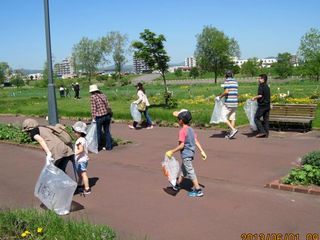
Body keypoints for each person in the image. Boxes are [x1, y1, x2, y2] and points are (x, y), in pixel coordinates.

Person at [166, 109, 207, 197]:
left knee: (190, 172)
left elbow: (181, 146)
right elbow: (195, 140)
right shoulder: (191, 129)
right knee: (183, 170)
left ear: (181, 121)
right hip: (190, 154)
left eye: (178, 119)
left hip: (186, 155)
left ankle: (198, 190)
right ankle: (177, 185)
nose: (177, 120)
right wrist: (202, 151)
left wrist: (171, 151)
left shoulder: (182, 131)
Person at [215, 70, 239, 139]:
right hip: (235, 101)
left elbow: (226, 92)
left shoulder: (227, 81)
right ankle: (231, 133)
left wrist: (219, 97)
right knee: (232, 118)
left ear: (226, 75)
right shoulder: (235, 81)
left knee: (223, 116)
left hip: (229, 102)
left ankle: (233, 130)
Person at [89, 84, 113, 151]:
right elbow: (108, 105)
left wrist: (93, 118)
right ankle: (109, 146)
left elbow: (94, 109)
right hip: (107, 115)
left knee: (98, 132)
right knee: (107, 131)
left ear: (91, 91)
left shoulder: (93, 97)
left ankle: (98, 147)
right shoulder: (103, 95)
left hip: (99, 117)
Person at [72, 121, 91, 194]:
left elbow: (81, 149)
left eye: (75, 132)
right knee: (80, 174)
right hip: (83, 159)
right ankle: (79, 185)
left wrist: (74, 153)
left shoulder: (79, 141)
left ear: (79, 132)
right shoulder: (84, 139)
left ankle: (87, 188)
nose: (74, 133)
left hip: (81, 160)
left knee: (83, 174)